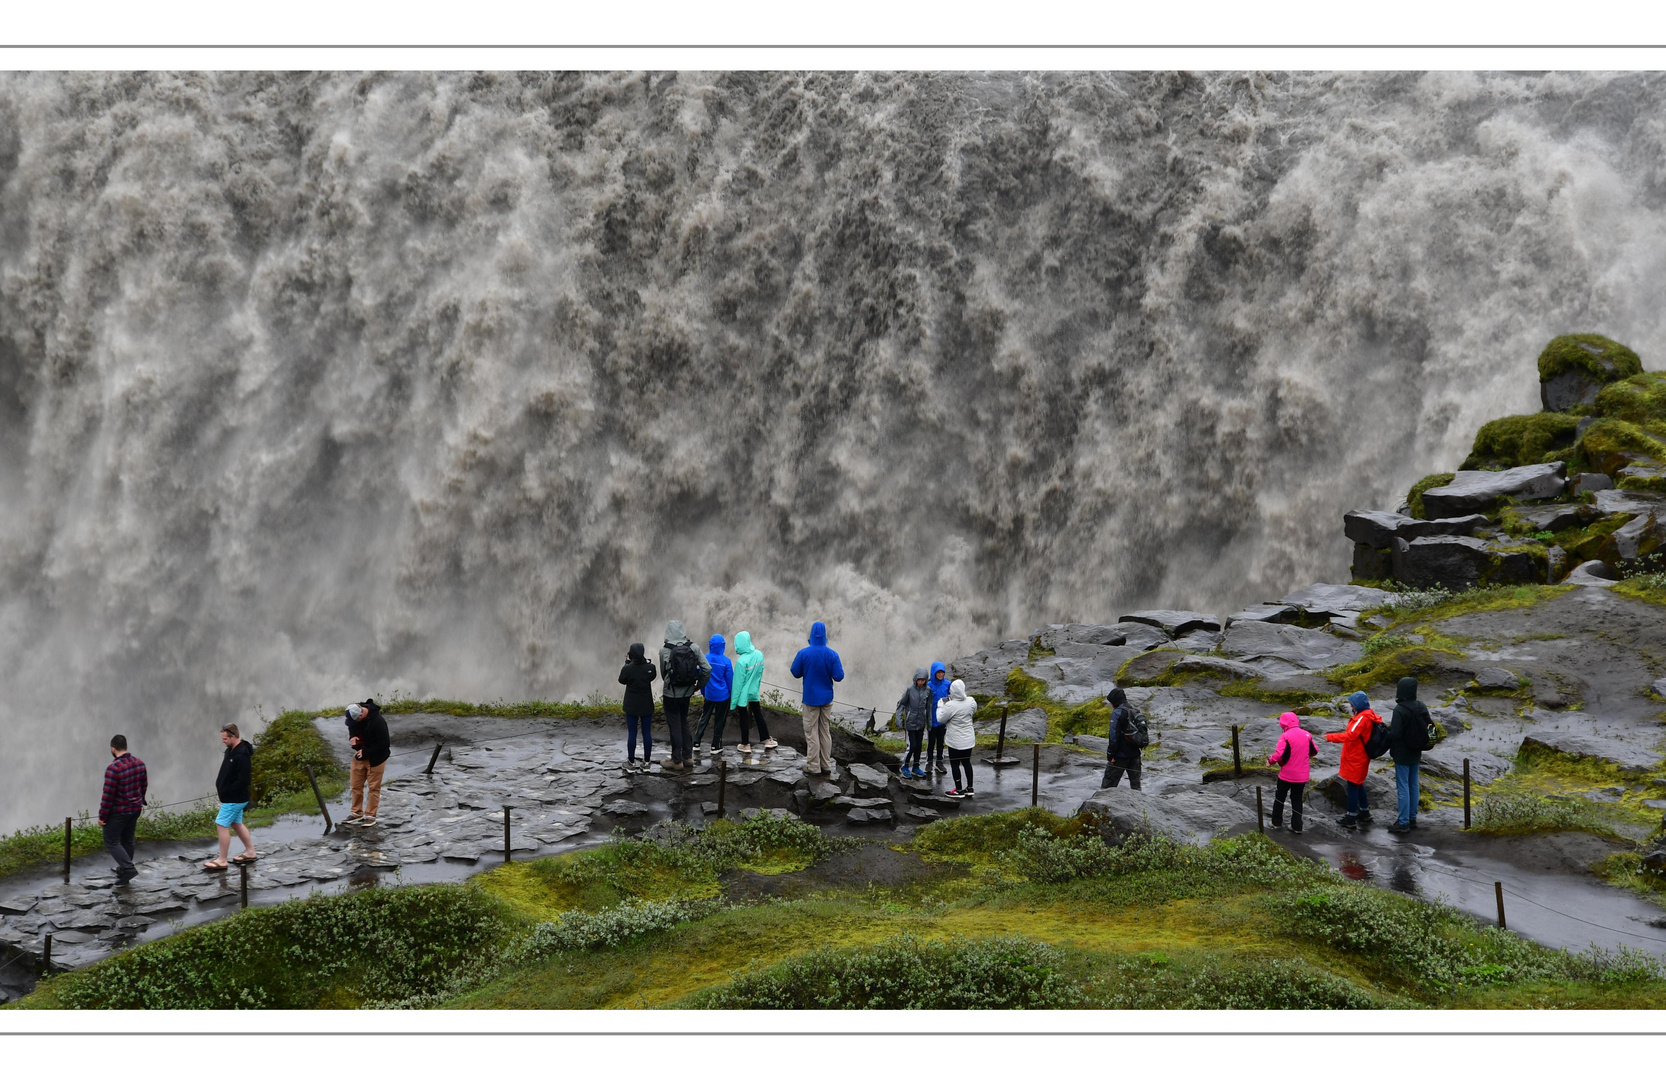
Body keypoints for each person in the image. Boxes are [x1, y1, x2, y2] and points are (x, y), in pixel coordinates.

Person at [789, 620, 844, 776]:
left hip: (810, 699)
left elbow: (795, 672)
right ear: (825, 636)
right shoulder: (832, 654)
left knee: (811, 732)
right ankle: (826, 765)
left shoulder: (804, 653)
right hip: (826, 699)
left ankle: (814, 766)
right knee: (824, 731)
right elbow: (839, 676)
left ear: (811, 635)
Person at [659, 620, 711, 773]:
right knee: (683, 721)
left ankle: (676, 760)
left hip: (671, 693)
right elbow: (707, 668)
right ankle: (688, 757)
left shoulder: (664, 650)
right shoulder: (693, 647)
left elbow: (663, 673)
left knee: (674, 724)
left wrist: (670, 683)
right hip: (687, 692)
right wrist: (698, 685)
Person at [205, 724, 256, 870]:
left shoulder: (242, 755)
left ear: (233, 737)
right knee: (236, 824)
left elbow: (243, 780)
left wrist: (228, 791)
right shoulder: (231, 751)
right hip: (232, 797)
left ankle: (222, 860)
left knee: (221, 824)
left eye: (225, 738)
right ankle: (251, 851)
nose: (223, 741)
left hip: (234, 798)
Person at [97, 734, 148, 883]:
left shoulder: (113, 769)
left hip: (119, 811)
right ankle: (124, 868)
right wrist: (141, 801)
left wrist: (102, 816)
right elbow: (143, 785)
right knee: (128, 839)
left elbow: (108, 796)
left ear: (113, 749)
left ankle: (128, 869)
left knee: (111, 840)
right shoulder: (140, 763)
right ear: (126, 747)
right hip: (136, 808)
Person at [1326, 691, 1380, 830]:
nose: (1351, 706)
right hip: (1359, 756)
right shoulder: (1366, 716)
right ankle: (1364, 811)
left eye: (1352, 704)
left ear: (1358, 705)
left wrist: (1330, 737)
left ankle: (1350, 817)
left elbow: (1351, 735)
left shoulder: (1362, 718)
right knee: (1358, 784)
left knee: (1352, 786)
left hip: (1356, 757)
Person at [1387, 677, 1430, 834]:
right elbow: (1429, 726)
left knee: (1402, 786)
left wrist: (1387, 732)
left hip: (1402, 753)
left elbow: (1396, 734)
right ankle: (1412, 817)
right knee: (1413, 784)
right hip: (1416, 751)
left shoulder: (1400, 709)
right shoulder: (1421, 706)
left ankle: (1403, 822)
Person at [1266, 712, 1319, 833]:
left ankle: (1276, 822)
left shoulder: (1285, 736)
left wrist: (1270, 761)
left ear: (1283, 724)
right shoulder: (1306, 734)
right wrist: (1303, 756)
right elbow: (1315, 750)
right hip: (1302, 776)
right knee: (1297, 799)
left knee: (1280, 797)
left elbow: (1279, 754)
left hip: (1286, 774)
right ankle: (1297, 826)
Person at [343, 698, 391, 827]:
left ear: (361, 715)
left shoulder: (378, 722)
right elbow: (352, 726)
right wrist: (352, 737)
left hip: (376, 759)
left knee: (373, 788)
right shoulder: (355, 715)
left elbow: (384, 744)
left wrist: (366, 752)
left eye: (355, 721)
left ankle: (370, 815)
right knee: (355, 785)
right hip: (360, 755)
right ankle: (356, 813)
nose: (352, 723)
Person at [730, 630, 775, 754]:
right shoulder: (759, 655)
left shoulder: (741, 661)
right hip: (754, 691)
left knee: (743, 717)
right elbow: (759, 674)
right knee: (758, 714)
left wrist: (733, 703)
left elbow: (737, 685)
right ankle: (767, 740)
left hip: (743, 694)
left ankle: (745, 744)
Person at [693, 634, 734, 757]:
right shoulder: (726, 661)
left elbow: (702, 678)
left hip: (709, 694)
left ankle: (696, 742)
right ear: (722, 646)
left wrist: (704, 692)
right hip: (723, 696)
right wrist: (732, 695)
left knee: (704, 717)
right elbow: (730, 680)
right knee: (719, 720)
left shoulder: (705, 658)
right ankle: (715, 745)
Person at [618, 643, 657, 771]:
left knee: (632, 733)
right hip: (646, 704)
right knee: (647, 733)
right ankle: (646, 762)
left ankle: (631, 762)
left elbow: (622, 680)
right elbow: (651, 677)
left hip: (631, 706)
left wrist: (626, 663)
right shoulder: (650, 667)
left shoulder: (627, 669)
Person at [939, 678, 978, 798]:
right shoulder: (971, 701)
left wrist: (940, 706)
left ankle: (959, 789)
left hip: (955, 741)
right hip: (968, 739)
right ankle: (970, 788)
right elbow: (974, 711)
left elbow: (941, 719)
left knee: (955, 764)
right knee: (966, 762)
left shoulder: (950, 705)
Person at [895, 667, 934, 778]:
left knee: (919, 746)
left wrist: (929, 723)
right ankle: (904, 766)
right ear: (915, 679)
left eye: (923, 680)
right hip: (910, 723)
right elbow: (901, 705)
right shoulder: (910, 690)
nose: (921, 682)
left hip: (921, 723)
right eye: (919, 680)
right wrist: (899, 722)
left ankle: (916, 767)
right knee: (912, 746)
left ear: (926, 680)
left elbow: (929, 707)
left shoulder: (928, 690)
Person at [1102, 688, 1142, 790]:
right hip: (1136, 755)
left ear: (1114, 701)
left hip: (1120, 756)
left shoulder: (1117, 713)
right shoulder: (1135, 711)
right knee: (1136, 787)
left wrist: (1110, 755)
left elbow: (1114, 737)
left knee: (1107, 787)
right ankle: (1140, 806)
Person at [926, 661, 952, 775]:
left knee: (940, 742)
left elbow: (951, 698)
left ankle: (939, 762)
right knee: (931, 742)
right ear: (934, 673)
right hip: (931, 718)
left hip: (943, 718)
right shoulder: (928, 685)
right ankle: (929, 762)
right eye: (938, 672)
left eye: (942, 672)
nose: (940, 674)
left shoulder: (947, 684)